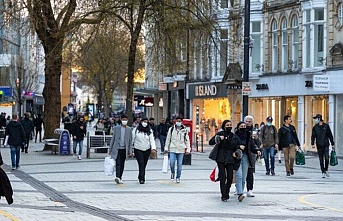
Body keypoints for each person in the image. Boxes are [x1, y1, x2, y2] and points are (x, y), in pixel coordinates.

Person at [214, 120, 241, 202]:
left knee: (230, 177)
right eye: (227, 125)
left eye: (230, 125)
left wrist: (237, 152)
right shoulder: (220, 134)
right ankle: (224, 195)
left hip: (230, 158)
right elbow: (212, 141)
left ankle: (227, 190)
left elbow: (238, 145)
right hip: (221, 158)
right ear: (224, 126)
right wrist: (218, 138)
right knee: (222, 177)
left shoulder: (234, 136)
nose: (229, 126)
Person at [235, 119, 261, 201]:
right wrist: (238, 147)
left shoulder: (249, 136)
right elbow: (231, 145)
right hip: (237, 157)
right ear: (238, 127)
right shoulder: (234, 135)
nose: (243, 127)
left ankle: (242, 191)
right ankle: (240, 193)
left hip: (246, 156)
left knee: (244, 176)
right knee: (238, 175)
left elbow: (253, 146)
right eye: (241, 126)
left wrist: (257, 151)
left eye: (244, 126)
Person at [164, 116, 191, 183]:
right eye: (177, 121)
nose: (178, 122)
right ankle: (172, 172)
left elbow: (187, 140)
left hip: (181, 149)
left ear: (181, 122)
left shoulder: (184, 130)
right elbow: (168, 139)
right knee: (172, 163)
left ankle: (178, 177)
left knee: (179, 164)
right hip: (172, 148)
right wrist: (166, 148)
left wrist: (188, 149)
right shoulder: (171, 129)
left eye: (179, 121)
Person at [108, 115, 133, 184]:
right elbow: (113, 139)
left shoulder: (129, 129)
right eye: (123, 119)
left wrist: (130, 151)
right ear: (121, 120)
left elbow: (130, 141)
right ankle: (117, 176)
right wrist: (110, 150)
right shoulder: (116, 128)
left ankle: (120, 177)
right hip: (117, 149)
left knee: (122, 163)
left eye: (126, 119)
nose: (124, 121)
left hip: (124, 149)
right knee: (118, 163)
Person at [132, 117, 156, 184]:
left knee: (144, 163)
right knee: (141, 163)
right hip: (138, 148)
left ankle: (140, 175)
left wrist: (153, 148)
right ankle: (142, 178)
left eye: (146, 122)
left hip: (147, 149)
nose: (145, 123)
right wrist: (130, 149)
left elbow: (152, 140)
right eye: (144, 121)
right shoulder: (136, 130)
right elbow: (132, 139)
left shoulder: (149, 130)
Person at [311, 114, 335, 178]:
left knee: (327, 158)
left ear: (319, 119)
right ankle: (323, 171)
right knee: (321, 159)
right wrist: (312, 143)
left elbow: (330, 135)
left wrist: (332, 143)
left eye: (316, 119)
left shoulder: (326, 126)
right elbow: (313, 136)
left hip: (326, 144)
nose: (315, 120)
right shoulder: (315, 127)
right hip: (319, 145)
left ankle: (326, 169)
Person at [244, 115, 261, 197]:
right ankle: (238, 188)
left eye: (249, 121)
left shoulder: (255, 131)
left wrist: (257, 138)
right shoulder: (240, 130)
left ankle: (249, 189)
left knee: (250, 173)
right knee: (239, 173)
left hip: (251, 155)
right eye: (246, 121)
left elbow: (259, 144)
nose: (247, 123)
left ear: (252, 123)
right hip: (242, 154)